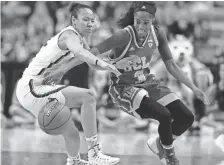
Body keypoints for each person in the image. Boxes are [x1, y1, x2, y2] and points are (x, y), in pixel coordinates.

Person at [43, 2, 209, 165]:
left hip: (147, 82)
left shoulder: (158, 33)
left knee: (187, 117)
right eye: (138, 22)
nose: (141, 27)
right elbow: (88, 53)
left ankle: (159, 143)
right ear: (134, 19)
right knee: (164, 116)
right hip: (123, 87)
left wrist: (193, 88)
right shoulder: (124, 35)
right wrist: (61, 69)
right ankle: (170, 158)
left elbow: (171, 65)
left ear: (152, 20)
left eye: (146, 23)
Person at [16, 3, 121, 165]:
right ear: (74, 20)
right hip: (31, 88)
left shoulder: (79, 38)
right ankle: (94, 153)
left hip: (35, 88)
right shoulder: (69, 35)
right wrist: (100, 63)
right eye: (85, 19)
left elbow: (89, 60)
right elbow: (80, 53)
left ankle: (74, 161)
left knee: (71, 131)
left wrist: (115, 64)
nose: (90, 24)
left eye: (92, 20)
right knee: (88, 96)